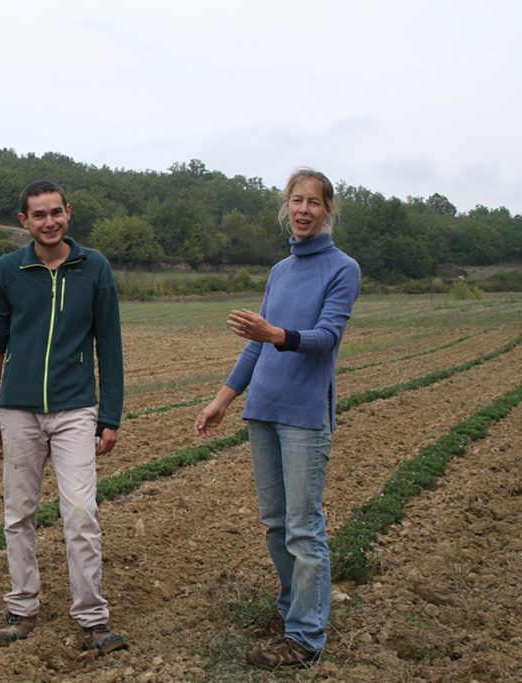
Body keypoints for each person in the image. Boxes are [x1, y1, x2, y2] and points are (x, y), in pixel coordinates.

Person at [195, 168, 361, 669]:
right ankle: (293, 612)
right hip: (263, 409)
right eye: (296, 200)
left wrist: (275, 333)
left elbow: (325, 340)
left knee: (304, 527)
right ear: (286, 207)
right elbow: (255, 348)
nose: (304, 209)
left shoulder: (342, 268)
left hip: (305, 414)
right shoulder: (279, 271)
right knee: (274, 524)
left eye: (314, 202)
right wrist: (222, 400)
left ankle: (307, 637)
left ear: (328, 210)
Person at [0, 180, 127, 655]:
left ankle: (92, 618)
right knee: (18, 513)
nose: (49, 222)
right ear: (24, 221)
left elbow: (110, 343)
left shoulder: (94, 267)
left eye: (55, 213)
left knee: (80, 512)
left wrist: (111, 415)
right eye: (38, 215)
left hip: (75, 409)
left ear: (68, 212)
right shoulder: (8, 271)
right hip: (18, 410)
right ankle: (22, 607)